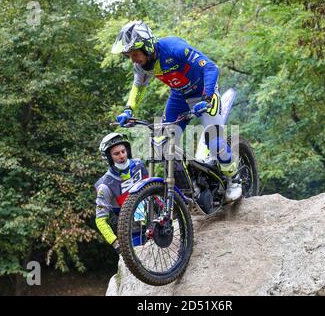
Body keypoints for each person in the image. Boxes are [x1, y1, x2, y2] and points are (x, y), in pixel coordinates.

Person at [111, 21, 242, 202]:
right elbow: (138, 86)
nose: (133, 59)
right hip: (179, 97)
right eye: (129, 56)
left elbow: (210, 67)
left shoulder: (173, 48)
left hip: (204, 92)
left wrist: (207, 98)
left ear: (147, 46)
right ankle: (190, 186)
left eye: (134, 54)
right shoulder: (141, 66)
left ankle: (234, 178)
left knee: (214, 141)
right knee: (163, 143)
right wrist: (128, 109)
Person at [94, 133, 148, 253]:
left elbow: (153, 190)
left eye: (123, 151)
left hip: (152, 221)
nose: (122, 156)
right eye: (116, 154)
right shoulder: (105, 185)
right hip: (131, 231)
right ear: (108, 157)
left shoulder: (139, 166)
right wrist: (115, 242)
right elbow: (100, 219)